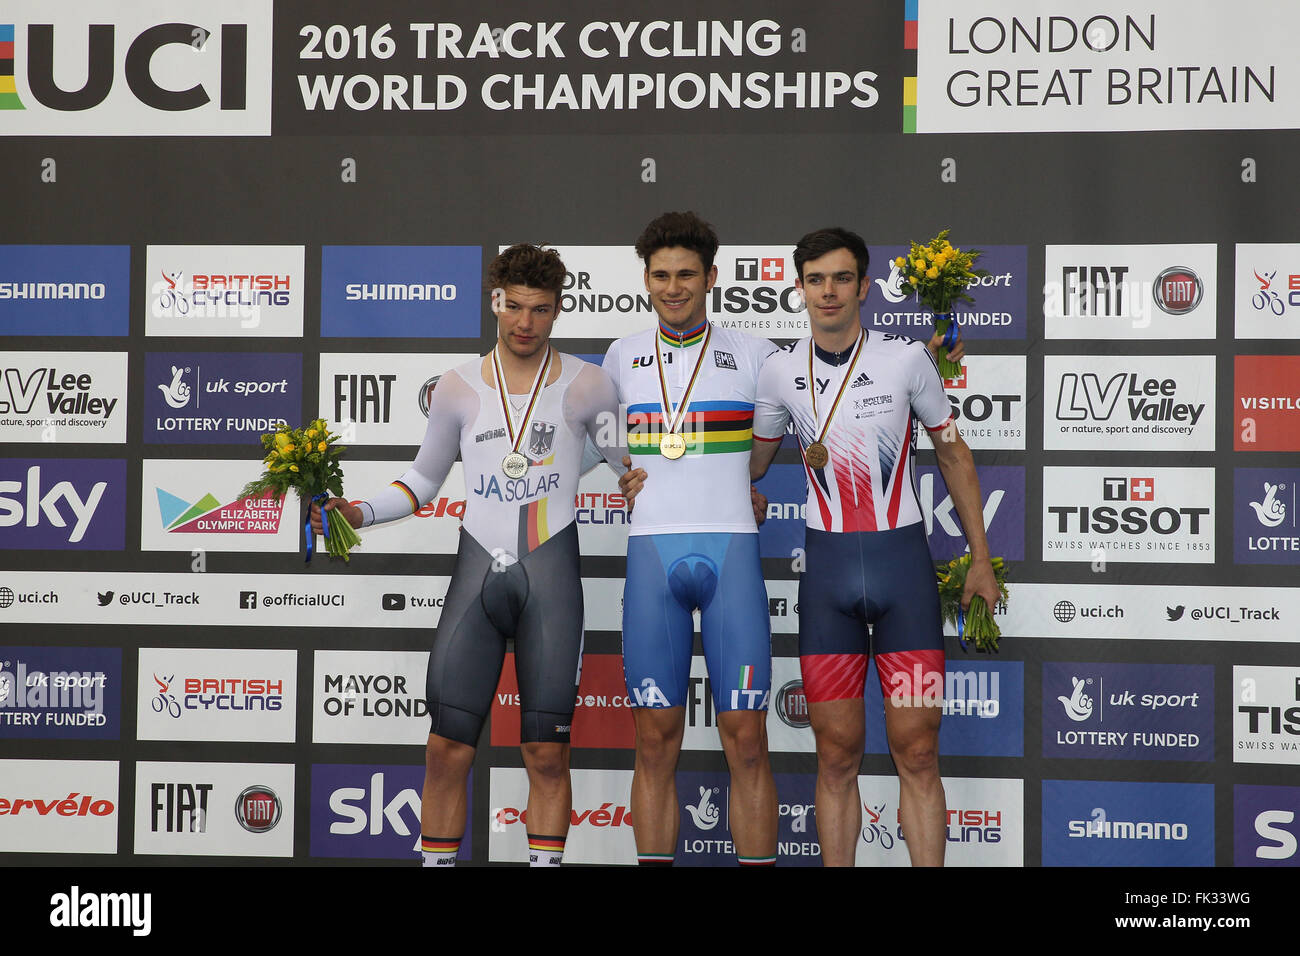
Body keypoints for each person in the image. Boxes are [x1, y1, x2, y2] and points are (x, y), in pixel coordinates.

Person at [312, 244, 622, 867]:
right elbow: (423, 482)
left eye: (540, 310)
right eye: (514, 308)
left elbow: (632, 466)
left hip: (551, 581)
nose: (525, 323)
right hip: (476, 579)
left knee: (546, 753)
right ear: (494, 303)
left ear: (558, 310)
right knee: (446, 749)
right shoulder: (455, 388)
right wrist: (360, 513)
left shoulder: (590, 384)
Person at [747, 226, 999, 867]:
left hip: (904, 579)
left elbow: (953, 453)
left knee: (917, 748)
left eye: (840, 278)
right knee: (835, 754)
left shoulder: (906, 360)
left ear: (864, 286)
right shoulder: (779, 370)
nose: (827, 292)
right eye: (814, 279)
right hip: (828, 579)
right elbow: (750, 464)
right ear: (798, 288)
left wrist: (979, 559)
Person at [603, 211, 781, 866]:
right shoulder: (621, 354)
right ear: (645, 280)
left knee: (749, 740)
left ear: (711, 277)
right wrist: (622, 471)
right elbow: (600, 433)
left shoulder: (756, 353)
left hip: (731, 553)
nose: (673, 288)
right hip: (655, 557)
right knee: (654, 744)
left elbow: (810, 409)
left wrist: (743, 481)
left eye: (686, 275)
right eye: (660, 276)